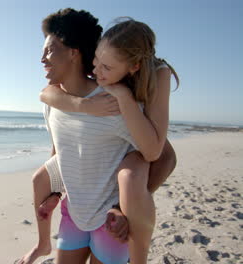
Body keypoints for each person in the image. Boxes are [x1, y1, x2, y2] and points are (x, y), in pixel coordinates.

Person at [38, 16, 180, 264]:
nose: (95, 71)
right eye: (96, 61)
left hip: (143, 155)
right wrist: (83, 105)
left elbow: (160, 154)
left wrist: (124, 96)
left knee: (130, 177)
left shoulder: (157, 76)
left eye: (105, 67)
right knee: (39, 178)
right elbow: (47, 95)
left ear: (133, 67)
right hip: (82, 205)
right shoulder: (101, 76)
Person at [19, 8, 139, 264]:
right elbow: (60, 151)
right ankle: (43, 246)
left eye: (50, 50)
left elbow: (156, 157)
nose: (42, 58)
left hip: (110, 220)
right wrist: (55, 193)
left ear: (74, 52)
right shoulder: (52, 102)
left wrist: (124, 207)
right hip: (73, 213)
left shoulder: (113, 104)